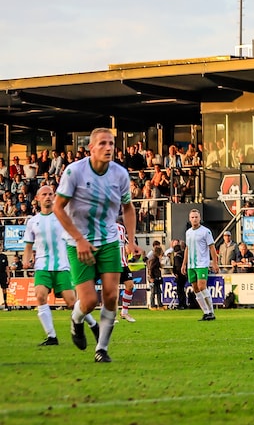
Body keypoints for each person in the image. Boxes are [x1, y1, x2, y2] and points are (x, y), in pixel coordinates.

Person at [54, 127, 142, 362]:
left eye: (111, 144)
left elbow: (128, 207)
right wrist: (80, 239)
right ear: (91, 148)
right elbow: (57, 207)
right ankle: (76, 319)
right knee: (90, 300)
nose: (108, 148)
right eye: (102, 143)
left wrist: (131, 241)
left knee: (112, 295)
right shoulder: (74, 172)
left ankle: (101, 349)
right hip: (78, 243)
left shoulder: (120, 174)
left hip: (109, 240)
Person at [23, 185, 99, 346]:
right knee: (40, 296)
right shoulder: (32, 221)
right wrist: (26, 259)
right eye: (44, 194)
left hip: (62, 266)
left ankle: (93, 324)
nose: (48, 197)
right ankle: (52, 337)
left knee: (72, 302)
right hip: (42, 266)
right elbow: (28, 246)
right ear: (37, 198)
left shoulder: (63, 218)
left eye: (51, 194)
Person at [183, 208, 220, 321]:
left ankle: (212, 312)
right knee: (195, 288)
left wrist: (215, 263)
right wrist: (184, 263)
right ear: (190, 219)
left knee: (202, 286)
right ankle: (206, 312)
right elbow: (187, 248)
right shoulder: (188, 232)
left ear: (200, 218)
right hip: (191, 265)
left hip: (202, 264)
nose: (194, 219)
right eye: (192, 217)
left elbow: (212, 247)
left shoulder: (206, 231)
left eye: (196, 217)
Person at [146, 240, 164, 310]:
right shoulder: (154, 259)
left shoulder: (156, 259)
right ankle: (152, 305)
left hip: (156, 276)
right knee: (153, 292)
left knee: (159, 291)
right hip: (153, 277)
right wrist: (151, 277)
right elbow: (150, 268)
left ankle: (160, 305)